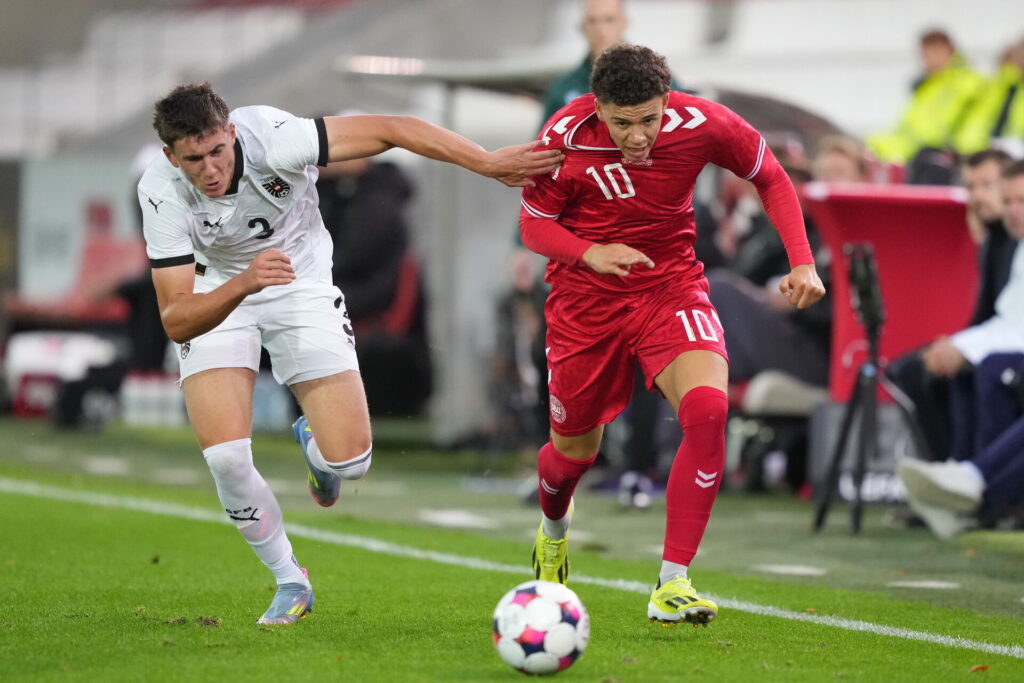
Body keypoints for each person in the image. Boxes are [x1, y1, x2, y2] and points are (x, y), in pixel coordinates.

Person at [138, 82, 562, 626]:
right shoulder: (160, 190)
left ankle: (318, 449)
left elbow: (393, 130)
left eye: (218, 150)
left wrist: (484, 161)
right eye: (194, 159)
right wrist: (243, 284)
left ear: (233, 134)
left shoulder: (277, 137)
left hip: (300, 282)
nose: (211, 168)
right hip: (219, 288)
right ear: (172, 157)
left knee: (352, 461)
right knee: (225, 457)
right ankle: (291, 580)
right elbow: (175, 318)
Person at [519, 45, 825, 625]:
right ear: (599, 107)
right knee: (572, 455)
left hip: (670, 287)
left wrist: (802, 262)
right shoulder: (564, 133)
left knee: (709, 408)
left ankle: (673, 583)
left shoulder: (705, 122)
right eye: (623, 121)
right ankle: (553, 531)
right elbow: (533, 223)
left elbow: (772, 177)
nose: (638, 136)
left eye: (650, 119)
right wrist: (590, 252)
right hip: (585, 303)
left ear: (667, 101)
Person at [897, 160, 1024, 540]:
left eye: (1020, 200)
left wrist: (964, 347)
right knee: (971, 368)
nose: (1011, 209)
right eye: (1010, 200)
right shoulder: (1011, 245)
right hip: (1006, 345)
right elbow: (1007, 318)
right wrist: (962, 346)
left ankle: (972, 486)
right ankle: (965, 485)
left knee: (991, 368)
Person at [887, 149, 1017, 461]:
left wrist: (962, 348)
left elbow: (1009, 319)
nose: (978, 196)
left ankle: (963, 471)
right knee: (906, 371)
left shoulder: (1012, 241)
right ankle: (948, 470)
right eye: (971, 187)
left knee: (958, 371)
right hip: (991, 338)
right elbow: (987, 314)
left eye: (987, 185)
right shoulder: (993, 241)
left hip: (1006, 346)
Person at [317, 148, 431, 417]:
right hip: (352, 311)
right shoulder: (346, 196)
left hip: (375, 331)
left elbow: (344, 261)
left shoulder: (377, 204)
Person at [868, 29, 984, 166]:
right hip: (916, 154)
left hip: (941, 157)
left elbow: (936, 134)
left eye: (935, 51)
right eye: (925, 54)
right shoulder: (925, 88)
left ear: (950, 51)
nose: (930, 59)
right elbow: (906, 130)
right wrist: (876, 146)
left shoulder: (966, 83)